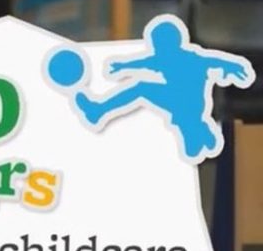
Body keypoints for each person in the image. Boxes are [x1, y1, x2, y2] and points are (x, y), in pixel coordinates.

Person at [74, 18, 253, 159]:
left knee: (142, 89)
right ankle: (98, 110)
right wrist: (123, 66)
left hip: (186, 104)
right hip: (176, 102)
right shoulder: (164, 59)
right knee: (142, 88)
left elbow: (214, 61)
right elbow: (145, 62)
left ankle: (201, 133)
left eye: (158, 44)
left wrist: (234, 67)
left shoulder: (190, 58)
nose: (156, 49)